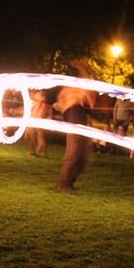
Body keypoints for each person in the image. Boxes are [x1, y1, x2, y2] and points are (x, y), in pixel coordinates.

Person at [55, 60, 97, 193]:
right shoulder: (69, 90)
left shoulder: (80, 89)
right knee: (73, 154)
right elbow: (62, 106)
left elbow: (91, 103)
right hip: (74, 117)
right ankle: (62, 185)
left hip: (81, 117)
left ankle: (69, 183)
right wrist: (82, 67)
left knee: (82, 159)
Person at [26, 90, 52, 157]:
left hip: (41, 124)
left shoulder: (47, 107)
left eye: (40, 95)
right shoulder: (33, 104)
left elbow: (50, 115)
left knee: (42, 139)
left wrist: (47, 121)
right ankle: (32, 152)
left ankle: (42, 152)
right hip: (32, 123)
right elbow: (26, 111)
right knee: (29, 137)